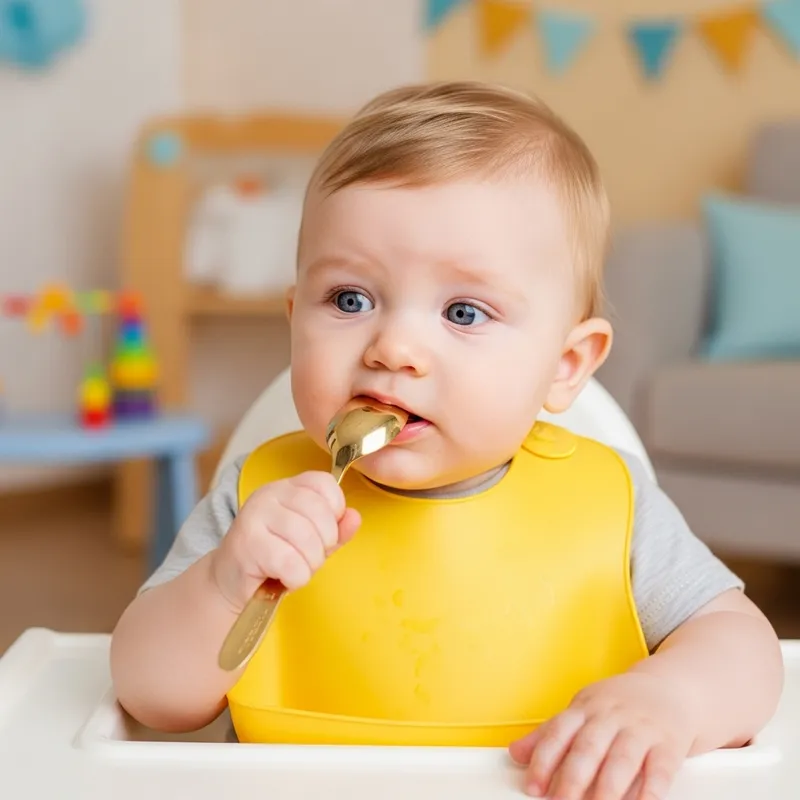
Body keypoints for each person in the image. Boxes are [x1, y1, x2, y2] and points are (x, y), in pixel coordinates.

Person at [110, 81, 783, 800]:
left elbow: (746, 649)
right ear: (294, 314)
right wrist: (221, 583)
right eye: (349, 299)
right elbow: (150, 696)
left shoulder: (612, 505)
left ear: (565, 368)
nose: (394, 346)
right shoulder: (258, 501)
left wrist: (672, 701)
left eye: (464, 311)